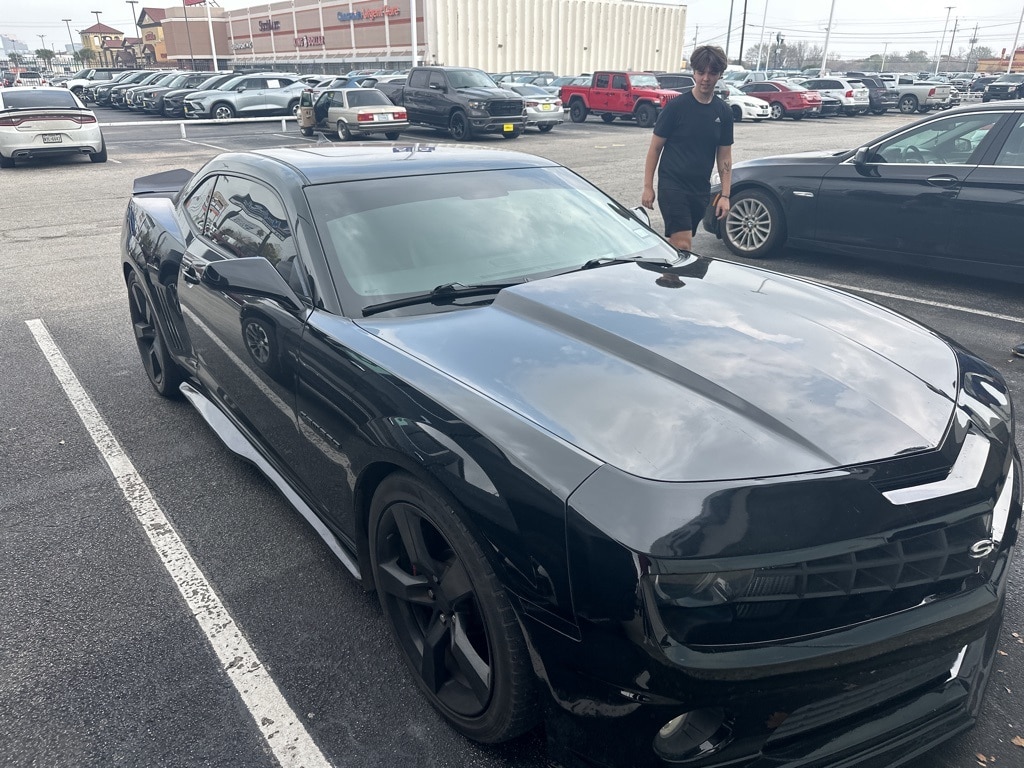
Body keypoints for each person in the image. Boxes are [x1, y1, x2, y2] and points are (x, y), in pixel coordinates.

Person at [642, 45, 733, 253]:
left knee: (677, 246)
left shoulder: (724, 112)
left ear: (720, 75)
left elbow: (725, 157)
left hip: (700, 190)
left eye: (712, 73)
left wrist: (726, 195)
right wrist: (648, 186)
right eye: (701, 72)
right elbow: (655, 149)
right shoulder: (676, 107)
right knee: (683, 245)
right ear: (694, 72)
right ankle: (677, 282)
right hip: (673, 186)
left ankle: (664, 281)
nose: (706, 78)